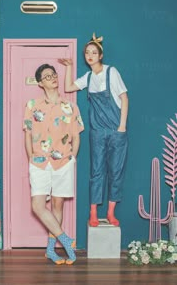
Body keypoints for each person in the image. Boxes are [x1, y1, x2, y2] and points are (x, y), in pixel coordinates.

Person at [59, 33, 128, 227]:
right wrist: (69, 66)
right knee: (96, 171)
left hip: (116, 130)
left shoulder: (111, 72)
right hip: (97, 132)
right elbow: (69, 87)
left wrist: (121, 126)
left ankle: (111, 212)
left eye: (93, 52)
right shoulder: (88, 77)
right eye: (87, 52)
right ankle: (93, 213)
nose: (90, 55)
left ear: (100, 55)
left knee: (116, 171)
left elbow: (124, 98)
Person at [23, 63, 84, 265]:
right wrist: (31, 156)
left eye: (54, 74)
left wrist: (72, 157)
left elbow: (76, 135)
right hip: (39, 162)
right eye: (47, 76)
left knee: (58, 205)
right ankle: (67, 241)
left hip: (63, 162)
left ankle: (51, 250)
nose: (52, 78)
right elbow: (28, 133)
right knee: (38, 206)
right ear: (40, 83)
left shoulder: (71, 106)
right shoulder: (32, 106)